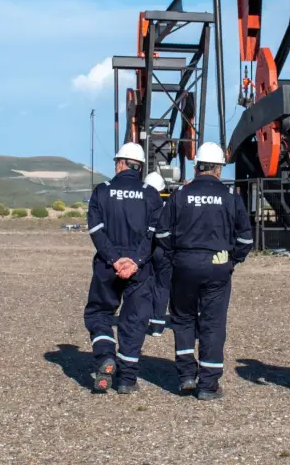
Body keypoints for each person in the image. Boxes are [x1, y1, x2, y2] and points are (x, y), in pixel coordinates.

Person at [154, 142, 253, 401]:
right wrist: (233, 261)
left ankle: (187, 374)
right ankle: (208, 384)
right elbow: (245, 238)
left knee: (183, 318)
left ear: (197, 167)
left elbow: (162, 233)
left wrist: (176, 255)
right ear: (218, 169)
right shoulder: (231, 197)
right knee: (213, 322)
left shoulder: (180, 195)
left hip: (184, 265)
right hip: (219, 265)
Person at [84, 143, 164, 394]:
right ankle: (127, 380)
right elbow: (154, 234)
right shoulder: (151, 194)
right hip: (139, 270)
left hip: (107, 267)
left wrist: (114, 259)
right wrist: (135, 261)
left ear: (120, 163)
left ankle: (105, 355)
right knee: (134, 321)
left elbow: (96, 230)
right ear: (139, 167)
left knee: (99, 314)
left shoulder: (102, 191)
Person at [143, 171, 170, 337]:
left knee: (146, 285)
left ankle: (145, 320)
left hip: (145, 249)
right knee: (162, 286)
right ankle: (157, 326)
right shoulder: (168, 205)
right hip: (164, 249)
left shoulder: (141, 204)